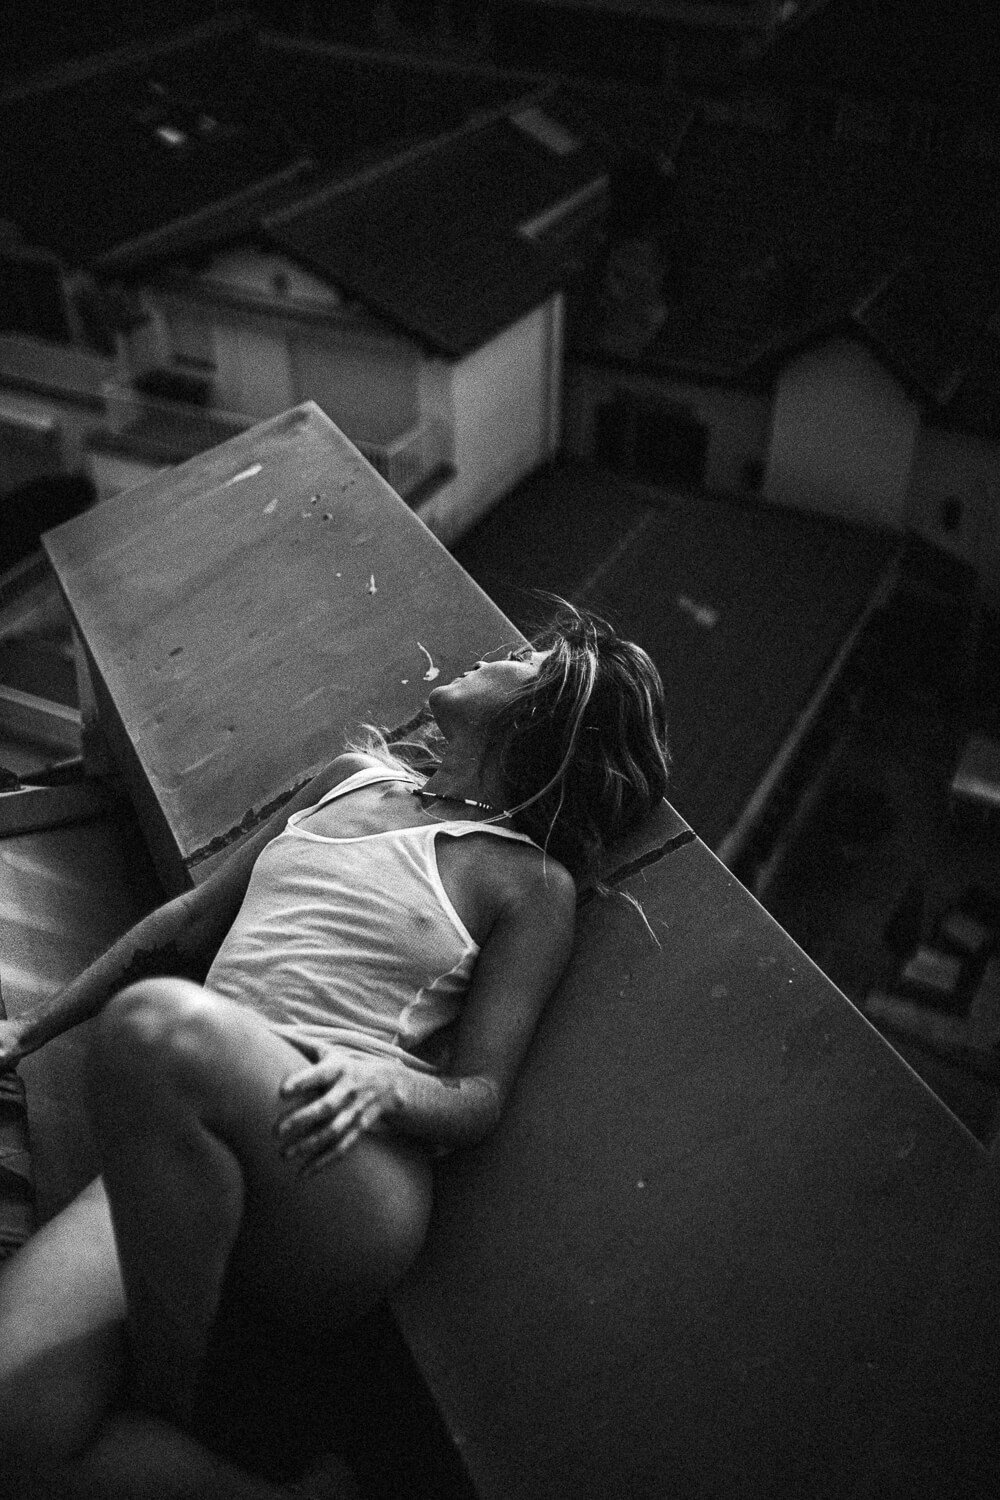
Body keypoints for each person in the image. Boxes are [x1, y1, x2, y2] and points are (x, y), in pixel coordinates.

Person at [0, 603, 670, 1499]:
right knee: (16, 1431)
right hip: (186, 1109)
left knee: (158, 1026)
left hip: (338, 1173)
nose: (494, 654)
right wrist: (24, 1032)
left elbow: (479, 1095)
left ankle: (178, 1404)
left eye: (523, 659)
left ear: (545, 714)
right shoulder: (351, 779)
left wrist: (383, 1081)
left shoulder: (525, 882)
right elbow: (187, 923)